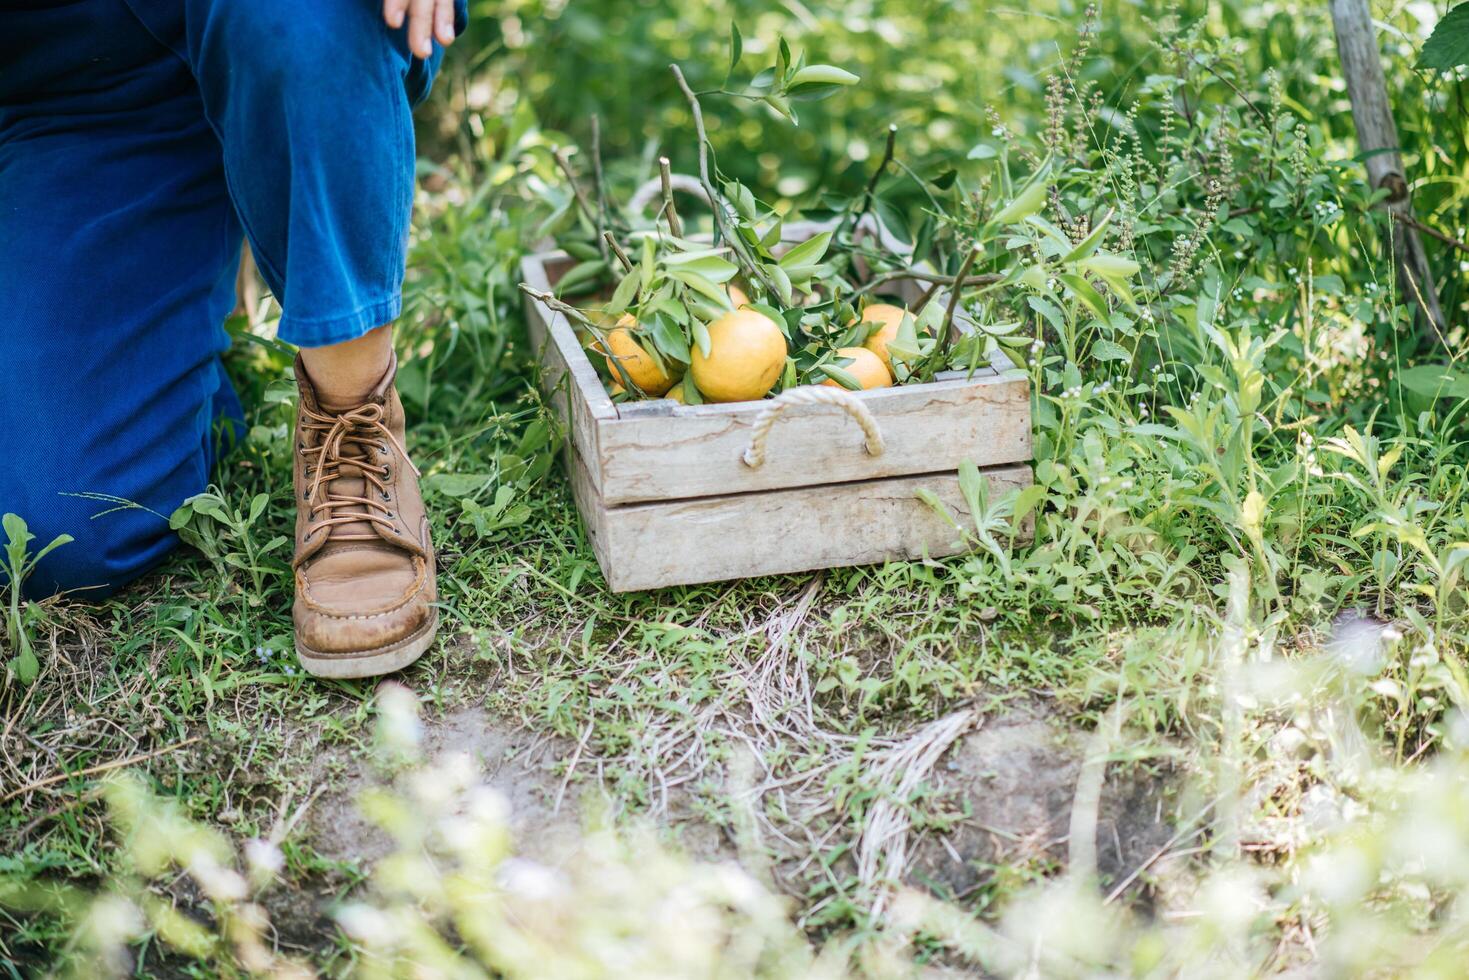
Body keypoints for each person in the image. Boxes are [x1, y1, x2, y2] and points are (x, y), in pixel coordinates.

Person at [0, 0, 467, 678]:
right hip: (74, 90)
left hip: (293, 18)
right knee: (60, 532)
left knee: (295, 24)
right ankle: (176, 352)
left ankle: (353, 418)